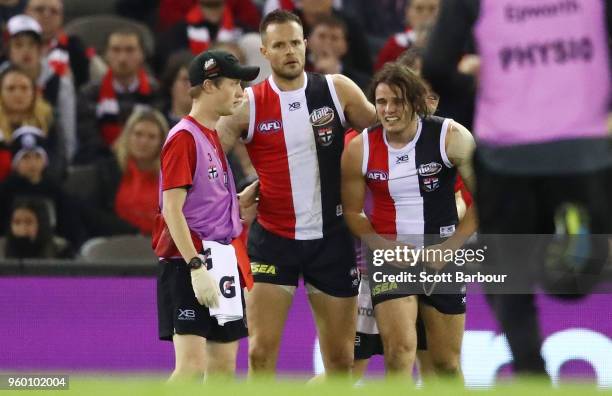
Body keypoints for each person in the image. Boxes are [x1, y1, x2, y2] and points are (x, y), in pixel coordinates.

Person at [423, 0, 611, 377]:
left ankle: (531, 373)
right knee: (573, 282)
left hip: (508, 155)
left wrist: (478, 87)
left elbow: (436, 67)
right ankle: (575, 227)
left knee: (507, 273)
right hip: (582, 152)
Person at [216, 9, 377, 377]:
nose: (289, 51)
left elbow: (386, 139)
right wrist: (231, 198)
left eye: (294, 42)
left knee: (340, 363)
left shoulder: (338, 89)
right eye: (279, 45)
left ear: (305, 44)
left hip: (332, 240)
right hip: (272, 240)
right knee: (259, 355)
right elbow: (205, 159)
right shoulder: (248, 104)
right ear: (265, 52)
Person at [341, 63, 477, 379]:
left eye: (397, 101)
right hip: (391, 258)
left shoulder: (450, 136)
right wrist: (383, 247)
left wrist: (449, 248)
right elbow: (352, 212)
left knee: (446, 364)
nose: (388, 110)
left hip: (443, 257)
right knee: (400, 353)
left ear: (415, 101)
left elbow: (485, 201)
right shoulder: (359, 148)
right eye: (381, 102)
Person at [152, 49, 259, 380]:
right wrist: (196, 266)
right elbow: (172, 209)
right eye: (234, 83)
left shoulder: (210, 134)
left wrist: (238, 203)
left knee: (223, 369)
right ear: (210, 85)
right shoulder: (184, 137)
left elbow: (202, 200)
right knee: (190, 369)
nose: (242, 93)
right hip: (192, 262)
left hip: (223, 259)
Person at [79, 109, 168, 238]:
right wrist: (133, 232)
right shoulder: (107, 170)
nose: (144, 141)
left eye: (152, 137)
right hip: (114, 244)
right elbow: (94, 216)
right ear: (127, 137)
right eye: (138, 134)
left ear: (162, 142)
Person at [76, 27, 160, 163]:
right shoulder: (89, 93)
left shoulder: (156, 92)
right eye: (116, 50)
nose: (122, 58)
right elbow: (88, 137)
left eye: (130, 50)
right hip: (103, 162)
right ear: (105, 55)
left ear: (142, 55)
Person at [3, 14, 76, 162]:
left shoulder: (59, 82)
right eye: (18, 45)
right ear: (8, 50)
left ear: (41, 49)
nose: (26, 51)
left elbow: (68, 133)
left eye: (32, 44)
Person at [0, 66, 64, 180]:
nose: (18, 94)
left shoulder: (48, 119)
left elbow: (58, 162)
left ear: (34, 92)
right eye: (11, 88)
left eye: (24, 88)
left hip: (43, 188)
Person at [25, 0, 90, 88]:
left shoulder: (74, 47)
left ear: (61, 18)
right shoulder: (11, 45)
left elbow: (83, 87)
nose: (46, 15)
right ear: (26, 13)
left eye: (54, 11)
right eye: (39, 9)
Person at [374, 0, 440, 71]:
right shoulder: (396, 44)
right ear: (407, 12)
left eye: (432, 9)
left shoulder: (447, 44)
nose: (426, 14)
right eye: (419, 9)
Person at [4, 198, 73, 259]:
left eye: (29, 222)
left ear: (41, 224)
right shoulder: (1, 248)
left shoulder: (61, 249)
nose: (22, 228)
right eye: (17, 222)